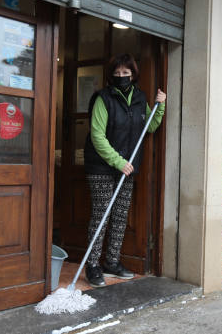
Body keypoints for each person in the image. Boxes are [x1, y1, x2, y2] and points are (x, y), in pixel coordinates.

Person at [82, 53, 166, 287]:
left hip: (127, 168)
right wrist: (118, 161)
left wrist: (160, 105)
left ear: (133, 74)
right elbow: (97, 136)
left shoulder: (140, 98)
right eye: (117, 73)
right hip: (102, 165)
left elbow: (150, 127)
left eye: (125, 73)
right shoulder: (103, 99)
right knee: (102, 215)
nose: (121, 77)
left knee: (119, 215)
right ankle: (92, 266)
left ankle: (112, 262)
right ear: (112, 75)